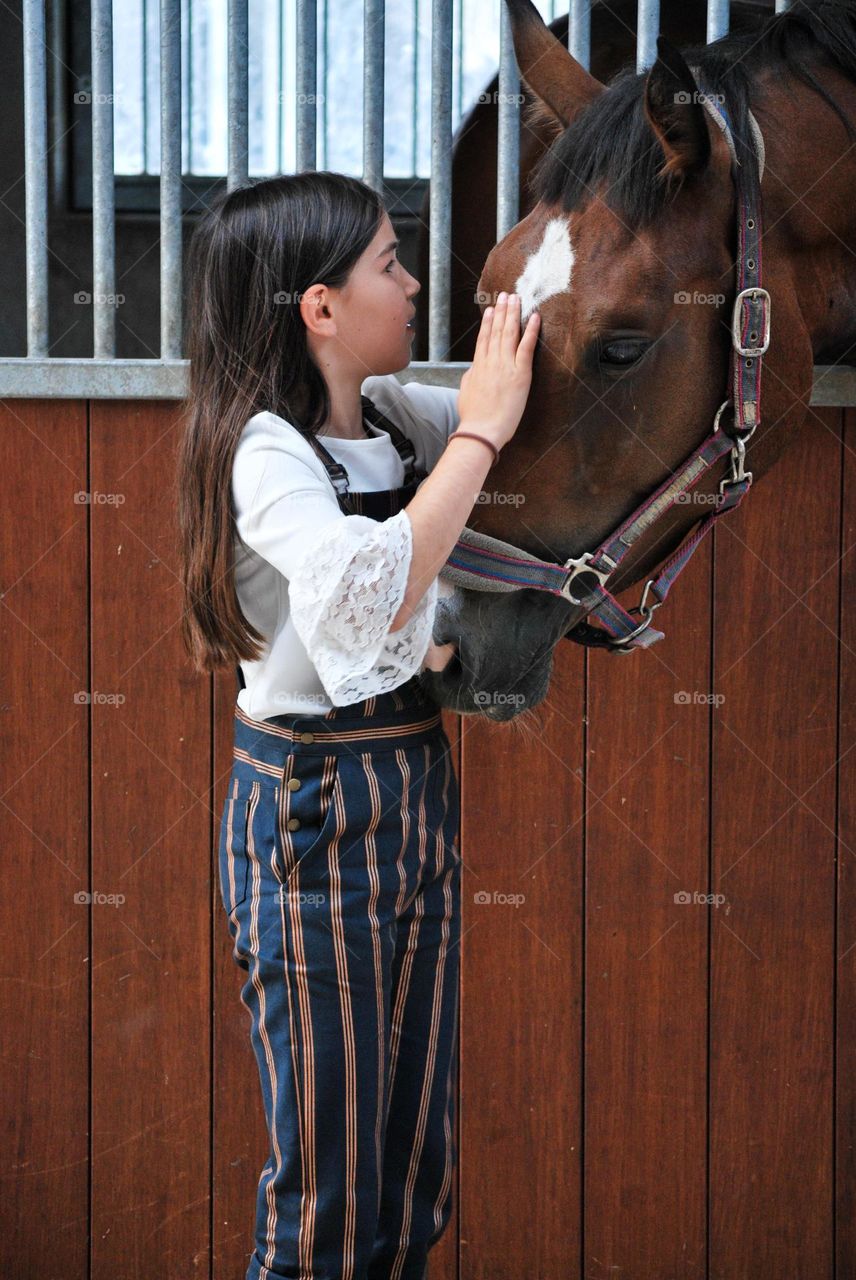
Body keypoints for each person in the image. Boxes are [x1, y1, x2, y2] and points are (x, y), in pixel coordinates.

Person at [176, 170, 540, 1280]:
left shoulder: (388, 415)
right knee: (328, 1195)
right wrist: (475, 441)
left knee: (412, 1172)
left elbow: (518, 409)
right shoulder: (266, 452)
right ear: (321, 308)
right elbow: (369, 584)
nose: (414, 279)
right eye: (389, 261)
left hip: (412, 792)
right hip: (310, 815)